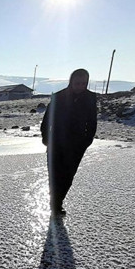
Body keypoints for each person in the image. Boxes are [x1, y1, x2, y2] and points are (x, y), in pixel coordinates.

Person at [40, 69, 98, 216]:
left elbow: (92, 122)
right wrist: (46, 138)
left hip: (76, 145)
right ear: (71, 81)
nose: (80, 86)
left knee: (67, 176)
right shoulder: (59, 97)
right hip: (56, 143)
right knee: (54, 175)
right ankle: (55, 204)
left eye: (83, 83)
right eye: (77, 83)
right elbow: (47, 119)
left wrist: (87, 141)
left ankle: (57, 202)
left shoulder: (90, 98)